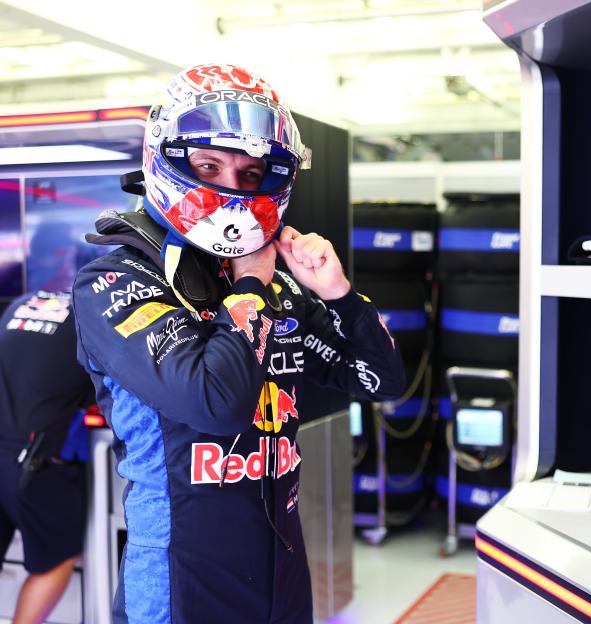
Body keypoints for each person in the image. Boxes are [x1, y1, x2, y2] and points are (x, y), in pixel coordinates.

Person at [72, 63, 406, 623]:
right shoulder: (117, 279)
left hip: (280, 565)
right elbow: (215, 402)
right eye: (209, 165)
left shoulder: (277, 287)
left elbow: (381, 381)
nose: (232, 187)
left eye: (252, 175)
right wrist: (251, 284)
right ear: (168, 159)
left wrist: (339, 294)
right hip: (180, 574)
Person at [0, 290, 95, 624]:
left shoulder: (21, 302)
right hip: (34, 460)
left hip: (11, 446)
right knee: (56, 560)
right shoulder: (94, 313)